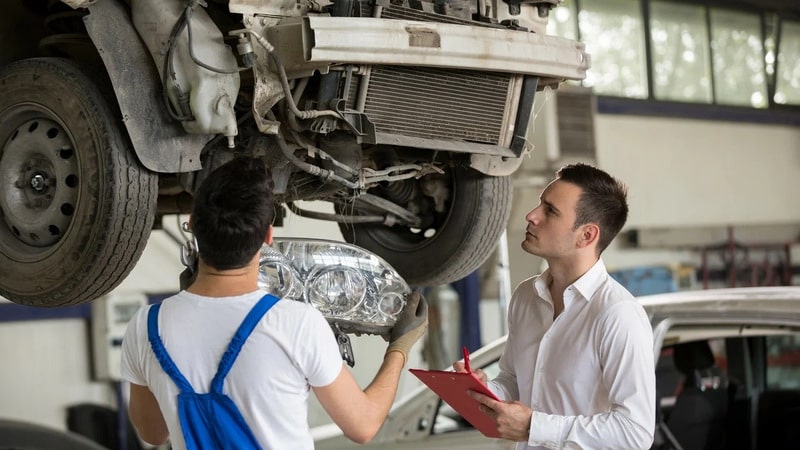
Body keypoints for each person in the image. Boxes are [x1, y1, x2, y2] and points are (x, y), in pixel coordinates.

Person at [120, 157, 428, 449]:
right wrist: (399, 349)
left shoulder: (146, 327)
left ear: (192, 226)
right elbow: (362, 425)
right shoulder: (295, 323)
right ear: (268, 236)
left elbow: (153, 432)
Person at [454, 163, 655, 449]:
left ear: (586, 236)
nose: (531, 216)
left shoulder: (618, 315)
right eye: (540, 204)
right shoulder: (526, 296)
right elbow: (514, 380)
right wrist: (482, 387)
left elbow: (635, 432)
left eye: (550, 211)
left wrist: (534, 426)